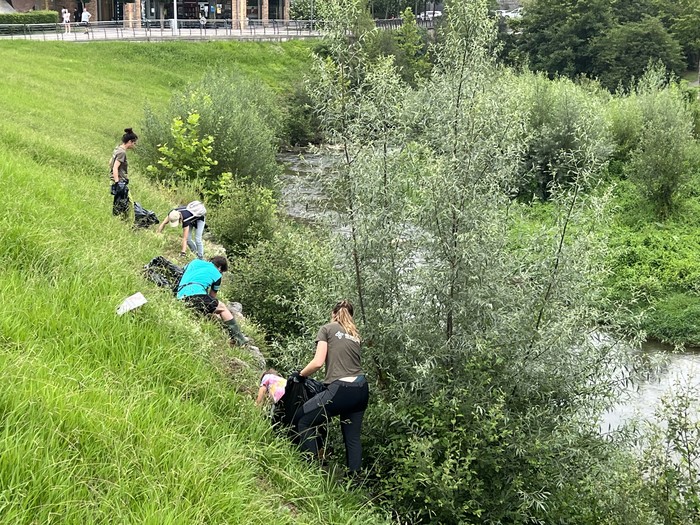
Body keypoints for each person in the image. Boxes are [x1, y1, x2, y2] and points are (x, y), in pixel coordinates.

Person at [295, 300, 369, 474]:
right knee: (352, 438)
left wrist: (299, 375)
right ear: (351, 316)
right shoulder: (355, 335)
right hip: (362, 390)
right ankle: (355, 482)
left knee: (304, 421)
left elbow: (317, 363)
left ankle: (310, 471)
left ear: (333, 313)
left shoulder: (327, 329)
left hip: (341, 389)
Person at [176, 255, 248, 346]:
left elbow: (182, 272)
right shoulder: (217, 274)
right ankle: (240, 339)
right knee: (222, 308)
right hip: (196, 296)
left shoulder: (194, 262)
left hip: (180, 296)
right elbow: (212, 296)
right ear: (220, 268)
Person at [109, 128, 138, 219]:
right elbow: (115, 167)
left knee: (121, 202)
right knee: (129, 203)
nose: (134, 145)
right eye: (134, 143)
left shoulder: (117, 148)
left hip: (115, 179)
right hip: (119, 181)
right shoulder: (122, 152)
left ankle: (123, 219)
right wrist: (118, 183)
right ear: (130, 142)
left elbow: (110, 162)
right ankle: (126, 220)